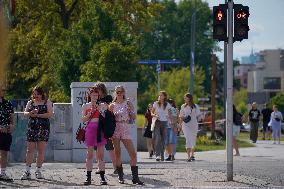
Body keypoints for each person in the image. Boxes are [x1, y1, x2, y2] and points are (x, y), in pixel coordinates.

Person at [109, 85, 143, 185]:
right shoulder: (112, 105)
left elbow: (134, 117)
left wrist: (130, 110)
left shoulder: (128, 103)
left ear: (124, 92)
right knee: (117, 153)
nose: (119, 94)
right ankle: (120, 176)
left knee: (133, 153)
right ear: (115, 93)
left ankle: (135, 177)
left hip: (125, 127)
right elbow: (108, 119)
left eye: (120, 92)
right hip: (115, 128)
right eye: (117, 92)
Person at [21, 86, 53, 180]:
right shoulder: (30, 102)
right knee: (29, 150)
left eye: (37, 94)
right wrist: (31, 113)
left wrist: (38, 115)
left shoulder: (47, 102)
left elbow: (50, 114)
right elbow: (25, 113)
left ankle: (38, 171)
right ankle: (27, 171)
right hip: (32, 128)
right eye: (34, 94)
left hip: (43, 128)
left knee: (41, 150)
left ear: (42, 93)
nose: (35, 96)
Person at [81, 88, 107, 185]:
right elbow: (83, 119)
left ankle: (102, 177)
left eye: (96, 95)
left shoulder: (102, 105)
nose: (95, 97)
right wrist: (90, 113)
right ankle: (88, 177)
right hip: (90, 129)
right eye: (93, 95)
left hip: (100, 130)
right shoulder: (85, 106)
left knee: (100, 155)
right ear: (90, 95)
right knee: (90, 154)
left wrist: (100, 110)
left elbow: (105, 117)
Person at [92, 83, 116, 174]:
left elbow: (110, 110)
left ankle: (115, 167)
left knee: (110, 147)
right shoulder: (94, 99)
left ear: (102, 89)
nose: (96, 91)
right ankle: (100, 167)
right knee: (97, 148)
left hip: (106, 127)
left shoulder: (108, 98)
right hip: (97, 126)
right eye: (94, 89)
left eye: (97, 89)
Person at [179, 93, 202, 162]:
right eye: (184, 98)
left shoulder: (195, 106)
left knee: (193, 139)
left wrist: (200, 118)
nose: (184, 99)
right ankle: (189, 156)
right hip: (185, 124)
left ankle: (192, 154)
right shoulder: (183, 106)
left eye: (185, 98)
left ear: (189, 98)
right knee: (188, 139)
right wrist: (180, 125)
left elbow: (199, 115)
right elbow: (180, 115)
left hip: (194, 124)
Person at [151, 91, 172, 161]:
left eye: (161, 95)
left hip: (165, 123)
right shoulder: (156, 103)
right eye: (159, 95)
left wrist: (172, 122)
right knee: (158, 138)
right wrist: (155, 115)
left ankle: (162, 155)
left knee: (163, 139)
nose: (160, 97)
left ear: (164, 96)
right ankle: (157, 155)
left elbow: (170, 114)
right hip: (157, 122)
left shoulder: (168, 105)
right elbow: (151, 113)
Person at [0, 86, 15, 182]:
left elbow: (12, 118)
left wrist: (12, 125)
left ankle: (2, 173)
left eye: (3, 89)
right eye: (1, 90)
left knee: (4, 153)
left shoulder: (7, 103)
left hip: (6, 132)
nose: (3, 91)